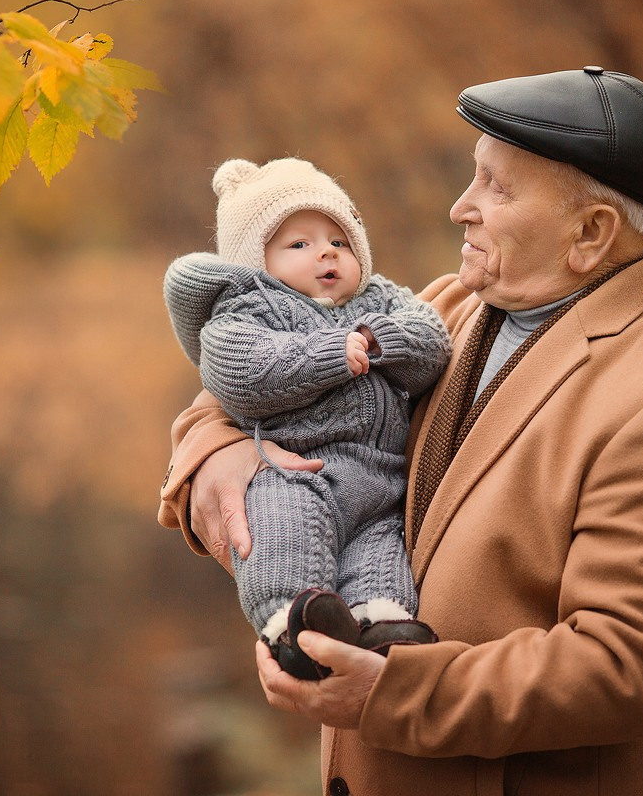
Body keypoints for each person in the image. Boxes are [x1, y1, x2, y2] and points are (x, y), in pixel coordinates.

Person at [158, 67, 643, 795]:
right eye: (473, 178)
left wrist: (391, 692)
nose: (458, 209)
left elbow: (630, 670)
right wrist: (218, 452)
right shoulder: (453, 309)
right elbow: (255, 377)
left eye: (496, 188)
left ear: (591, 234)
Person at [163, 157, 452, 680]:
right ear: (258, 262)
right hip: (293, 471)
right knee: (282, 532)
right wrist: (330, 352)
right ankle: (289, 624)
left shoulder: (380, 300)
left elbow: (433, 342)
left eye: (338, 241)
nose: (325, 252)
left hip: (379, 483)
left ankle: (379, 624)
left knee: (380, 549)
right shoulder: (248, 309)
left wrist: (380, 339)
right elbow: (240, 370)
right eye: (299, 244)